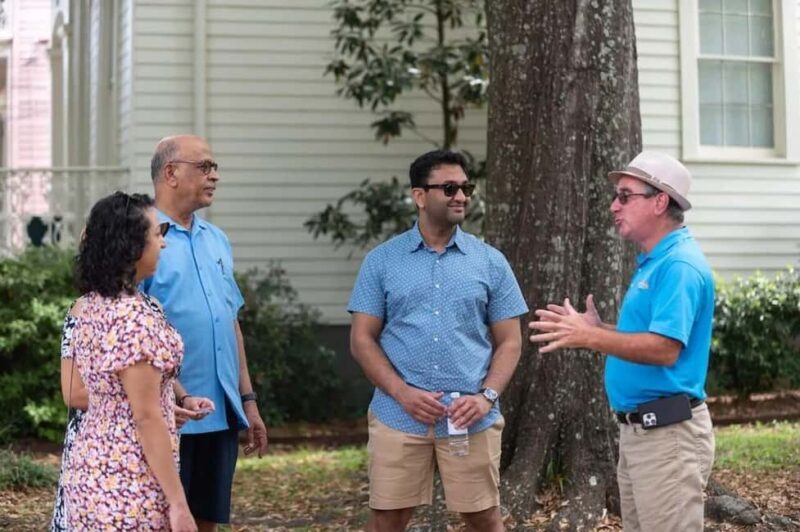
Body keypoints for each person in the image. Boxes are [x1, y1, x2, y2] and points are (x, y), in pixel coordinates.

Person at [529, 151, 715, 532]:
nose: (614, 206)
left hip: (668, 439)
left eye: (625, 196)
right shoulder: (657, 261)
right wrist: (599, 330)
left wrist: (591, 337)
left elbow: (665, 349)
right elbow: (651, 337)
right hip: (644, 435)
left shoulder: (677, 266)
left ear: (660, 201)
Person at [348, 149, 528, 532]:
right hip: (399, 415)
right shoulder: (381, 261)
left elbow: (511, 341)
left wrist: (487, 397)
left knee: (484, 518)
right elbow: (362, 339)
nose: (460, 196)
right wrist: (402, 393)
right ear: (419, 196)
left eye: (465, 187)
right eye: (449, 188)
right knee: (387, 518)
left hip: (471, 417)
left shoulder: (490, 261)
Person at [62, 191, 213, 531]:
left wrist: (167, 404)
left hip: (91, 471)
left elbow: (114, 392)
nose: (163, 243)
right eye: (157, 234)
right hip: (129, 481)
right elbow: (145, 418)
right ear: (130, 245)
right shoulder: (134, 320)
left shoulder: (93, 305)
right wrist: (178, 503)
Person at [142, 135, 268, 531]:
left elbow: (230, 323)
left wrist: (248, 401)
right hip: (168, 414)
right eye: (204, 167)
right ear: (171, 173)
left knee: (206, 522)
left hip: (220, 411)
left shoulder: (217, 240)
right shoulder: (141, 239)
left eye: (215, 168)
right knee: (161, 520)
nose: (214, 176)